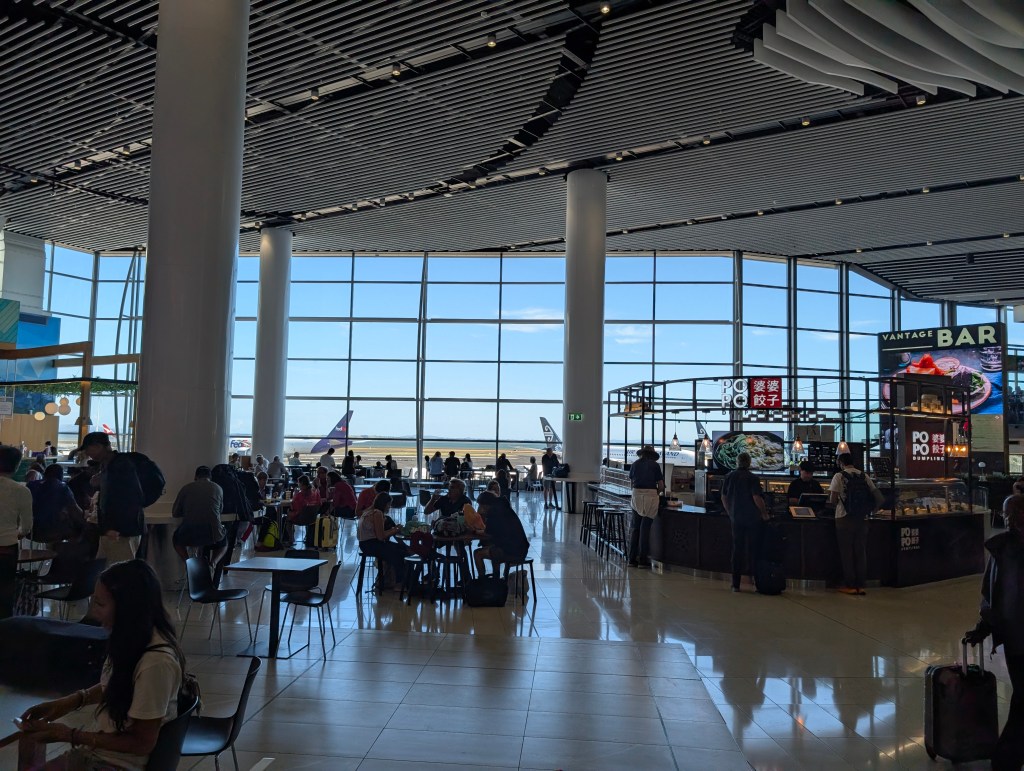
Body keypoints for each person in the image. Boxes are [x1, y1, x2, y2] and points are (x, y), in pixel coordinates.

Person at [18, 560, 185, 771]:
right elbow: (116, 684)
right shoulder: (133, 640)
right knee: (30, 743)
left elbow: (142, 743)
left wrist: (70, 735)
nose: (94, 614)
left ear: (127, 608)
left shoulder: (156, 664)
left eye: (100, 604)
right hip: (99, 757)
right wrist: (70, 702)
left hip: (116, 765)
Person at [965, 495, 1024, 771]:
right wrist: (984, 625)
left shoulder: (1006, 550)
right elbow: (993, 593)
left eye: (1015, 512)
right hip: (1018, 636)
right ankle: (1005, 759)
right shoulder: (1004, 550)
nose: (1009, 519)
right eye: (1006, 513)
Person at [79, 432, 145, 564]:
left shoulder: (120, 466)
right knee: (106, 569)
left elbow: (129, 498)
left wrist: (115, 527)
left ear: (98, 446)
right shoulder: (109, 465)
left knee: (119, 570)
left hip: (120, 532)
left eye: (88, 449)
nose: (87, 453)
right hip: (113, 530)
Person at [828, 453, 881, 596]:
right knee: (860, 552)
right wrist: (870, 511)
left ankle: (850, 585)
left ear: (841, 463)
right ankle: (861, 585)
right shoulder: (864, 476)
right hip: (862, 519)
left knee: (847, 553)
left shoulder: (839, 476)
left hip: (844, 518)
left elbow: (833, 500)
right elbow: (878, 497)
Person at [721, 452, 768, 592]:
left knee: (737, 550)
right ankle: (757, 583)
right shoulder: (753, 478)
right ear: (749, 463)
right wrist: (764, 513)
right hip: (752, 518)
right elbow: (756, 498)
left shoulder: (729, 476)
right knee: (754, 550)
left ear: (737, 462)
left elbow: (723, 497)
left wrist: (730, 512)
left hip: (736, 518)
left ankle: (735, 584)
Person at [0, 444, 33, 620]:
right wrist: (16, 533)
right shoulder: (22, 490)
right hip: (6, 548)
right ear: (17, 465)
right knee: (5, 592)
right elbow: (27, 526)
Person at [171, 465, 227, 567]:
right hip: (212, 533)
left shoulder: (186, 488)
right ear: (210, 477)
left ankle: (188, 562)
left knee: (176, 540)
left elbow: (175, 513)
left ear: (195, 477)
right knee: (223, 543)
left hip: (190, 532)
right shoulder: (218, 488)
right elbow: (220, 511)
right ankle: (213, 563)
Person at [473, 491, 530, 577]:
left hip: (512, 551)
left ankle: (483, 580)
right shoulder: (503, 507)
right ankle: (496, 579)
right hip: (520, 548)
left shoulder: (494, 513)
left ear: (485, 505)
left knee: (478, 554)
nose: (479, 507)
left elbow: (488, 533)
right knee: (493, 548)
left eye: (480, 505)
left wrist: (475, 531)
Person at [357, 493, 407, 590]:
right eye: (389, 504)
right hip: (371, 545)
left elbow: (378, 534)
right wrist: (396, 530)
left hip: (364, 544)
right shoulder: (377, 513)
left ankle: (392, 580)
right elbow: (381, 537)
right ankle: (399, 583)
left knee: (400, 549)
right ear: (384, 504)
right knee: (399, 552)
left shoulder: (368, 511)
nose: (389, 507)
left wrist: (393, 530)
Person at [627, 445, 665, 569]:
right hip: (650, 496)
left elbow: (631, 484)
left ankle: (631, 559)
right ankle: (643, 561)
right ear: (652, 455)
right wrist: (658, 493)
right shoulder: (655, 465)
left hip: (636, 495)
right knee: (645, 529)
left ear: (642, 454)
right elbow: (661, 485)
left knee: (635, 528)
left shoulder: (634, 464)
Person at [28, 464, 84, 545]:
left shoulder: (30, 485)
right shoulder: (63, 487)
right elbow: (75, 511)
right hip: (53, 532)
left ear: (45, 474)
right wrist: (86, 518)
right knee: (78, 526)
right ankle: (63, 550)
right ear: (61, 476)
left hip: (30, 531)